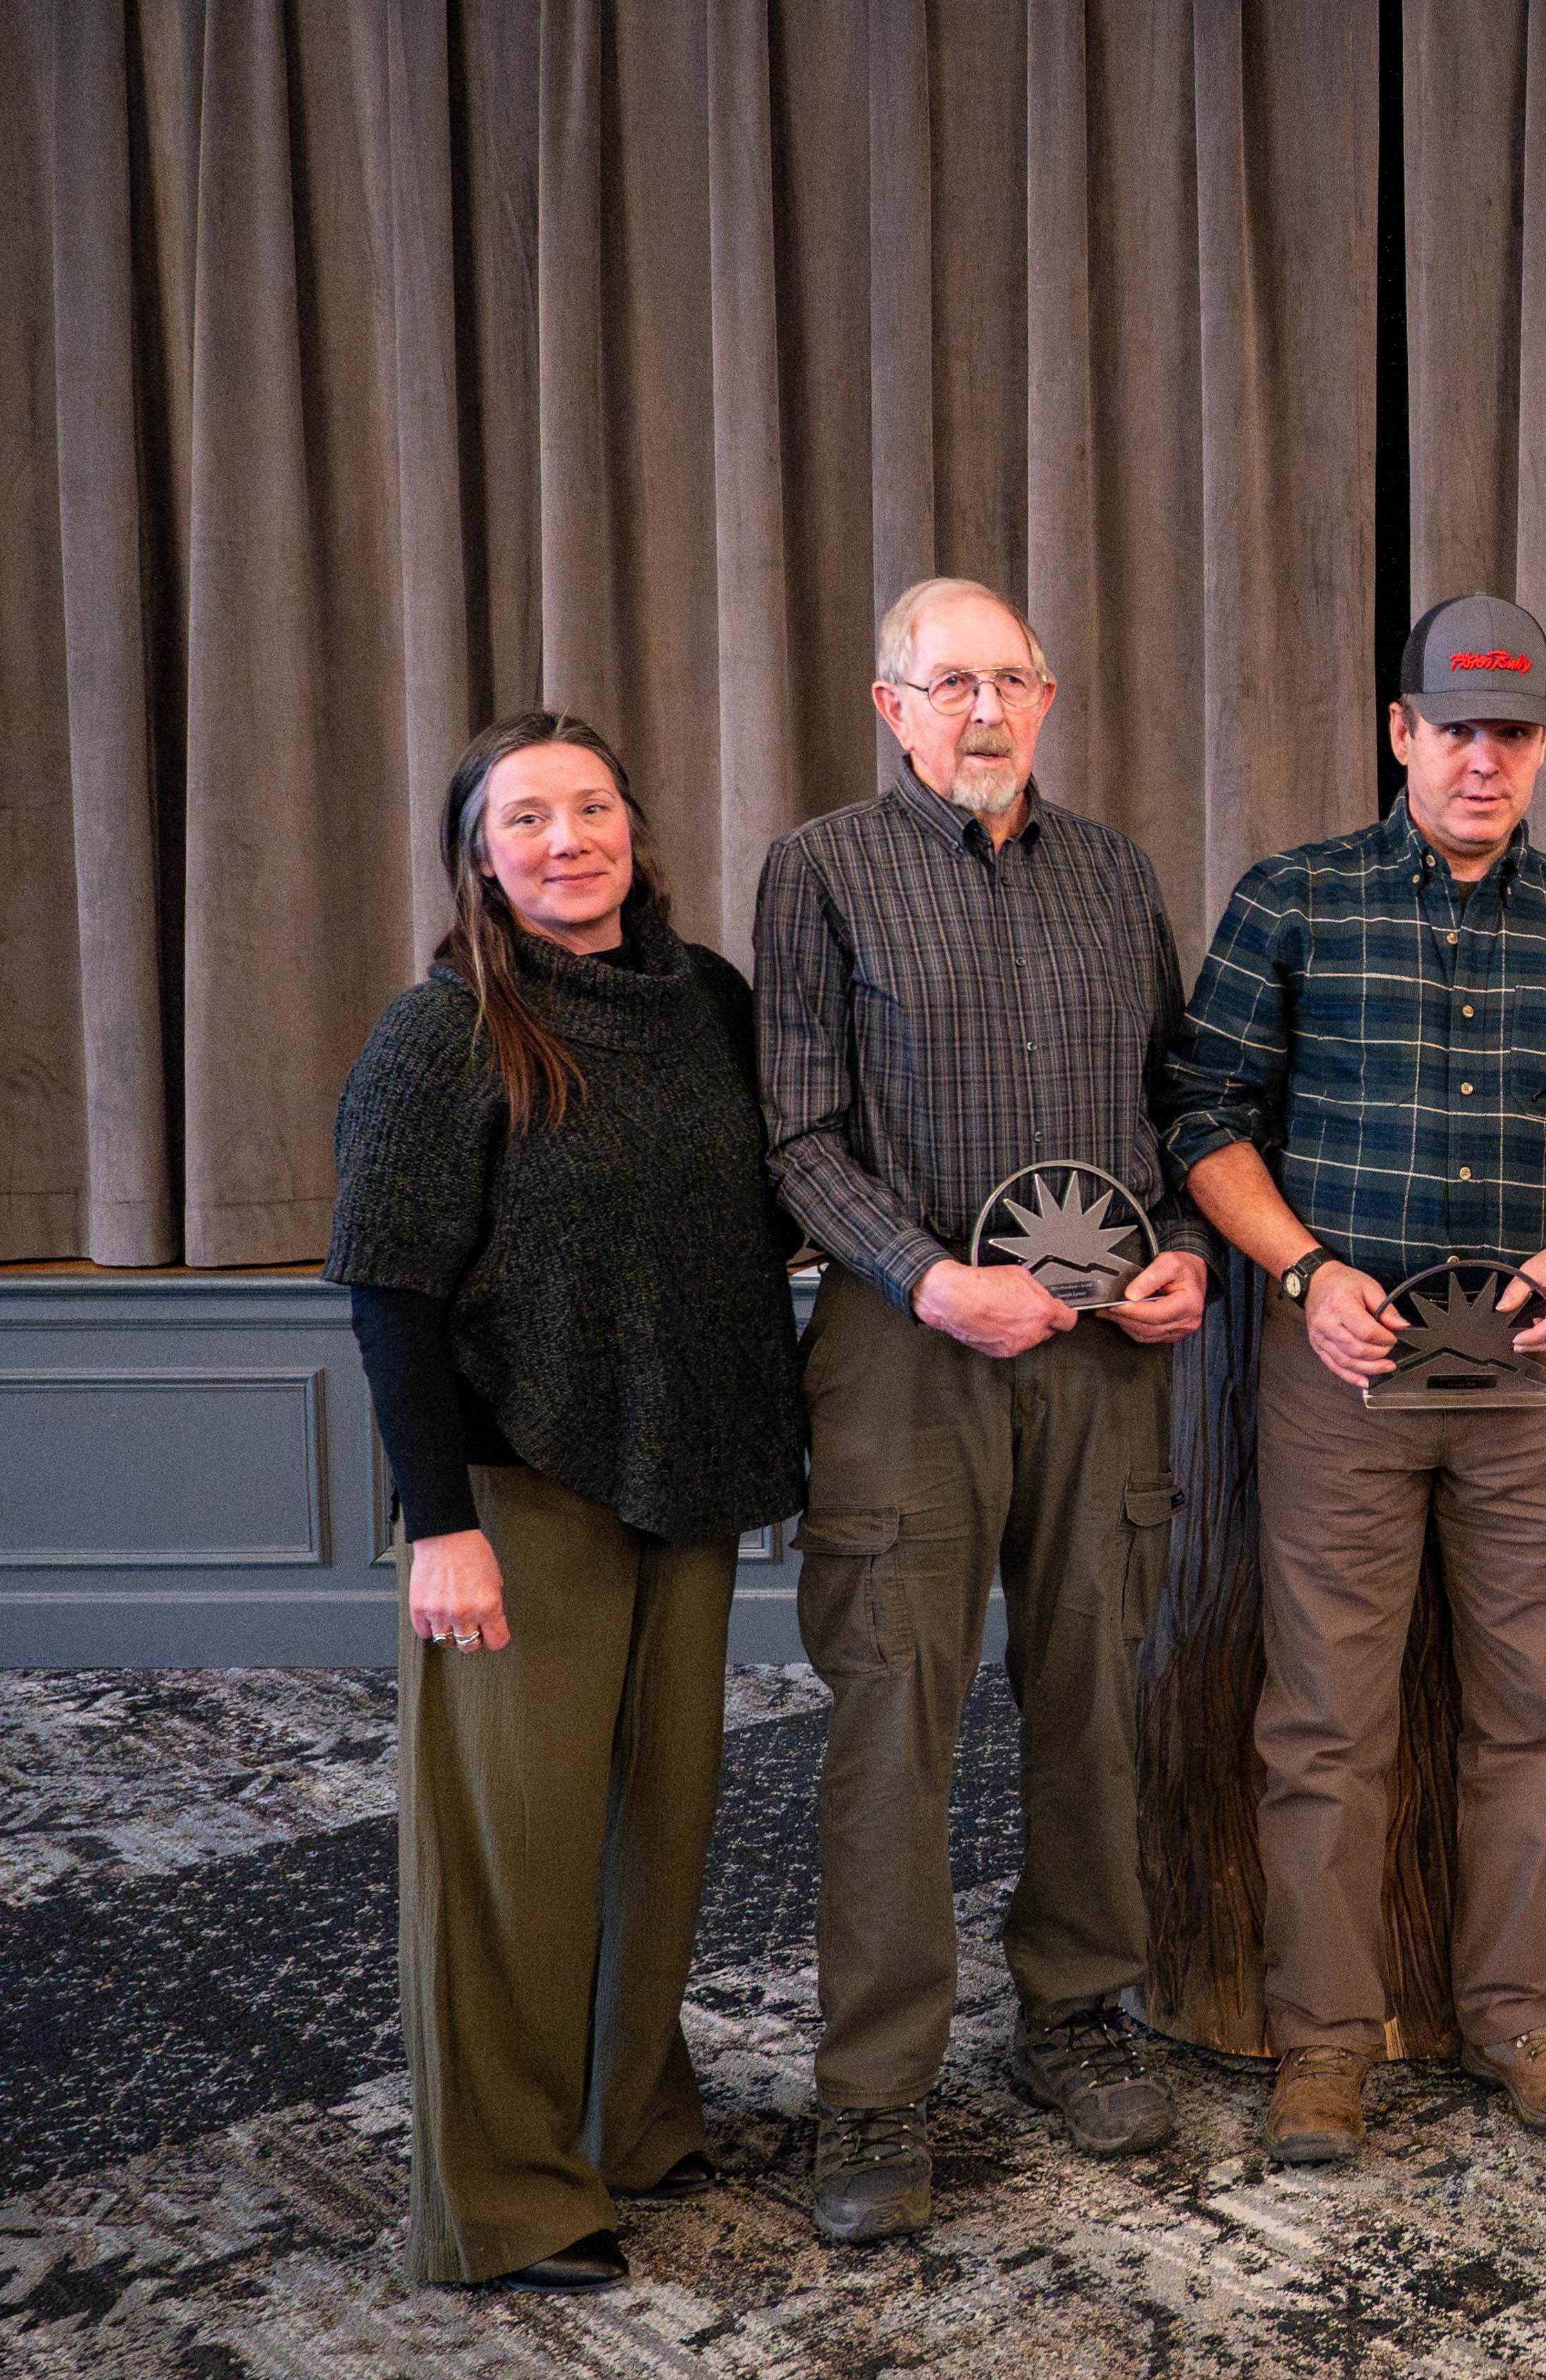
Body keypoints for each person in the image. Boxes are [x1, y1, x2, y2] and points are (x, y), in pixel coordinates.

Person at [1158, 593, 1546, 2162]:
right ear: (1401, 732)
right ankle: (1323, 2041)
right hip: (1343, 1369)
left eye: (1512, 732)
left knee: (1538, 1711)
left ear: (1541, 745)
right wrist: (1306, 1272)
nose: (1482, 758)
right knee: (1324, 1715)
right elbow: (1203, 1115)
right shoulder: (1295, 901)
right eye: (1454, 728)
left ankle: (1520, 2012)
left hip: (1529, 1376)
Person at [756, 578, 1213, 2243]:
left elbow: (1174, 1107)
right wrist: (929, 1276)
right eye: (947, 684)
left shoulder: (1115, 874)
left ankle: (1076, 2017)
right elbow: (796, 1134)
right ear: (892, 707)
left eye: (1009, 680)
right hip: (907, 1350)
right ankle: (874, 2092)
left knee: (1095, 1688)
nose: (983, 713)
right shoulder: (822, 872)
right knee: (896, 1720)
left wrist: (1180, 1255)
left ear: (1048, 694)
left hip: (1101, 1353)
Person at [327, 714, 805, 2292]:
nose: (565, 839)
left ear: (634, 825)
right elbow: (391, 1295)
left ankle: (632, 2119)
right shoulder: (442, 1029)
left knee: (659, 1831)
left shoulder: (709, 1001)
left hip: (687, 1466)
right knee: (512, 1861)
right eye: (524, 818)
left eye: (589, 806)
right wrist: (441, 1520)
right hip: (518, 1488)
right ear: (479, 852)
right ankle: (507, 2198)